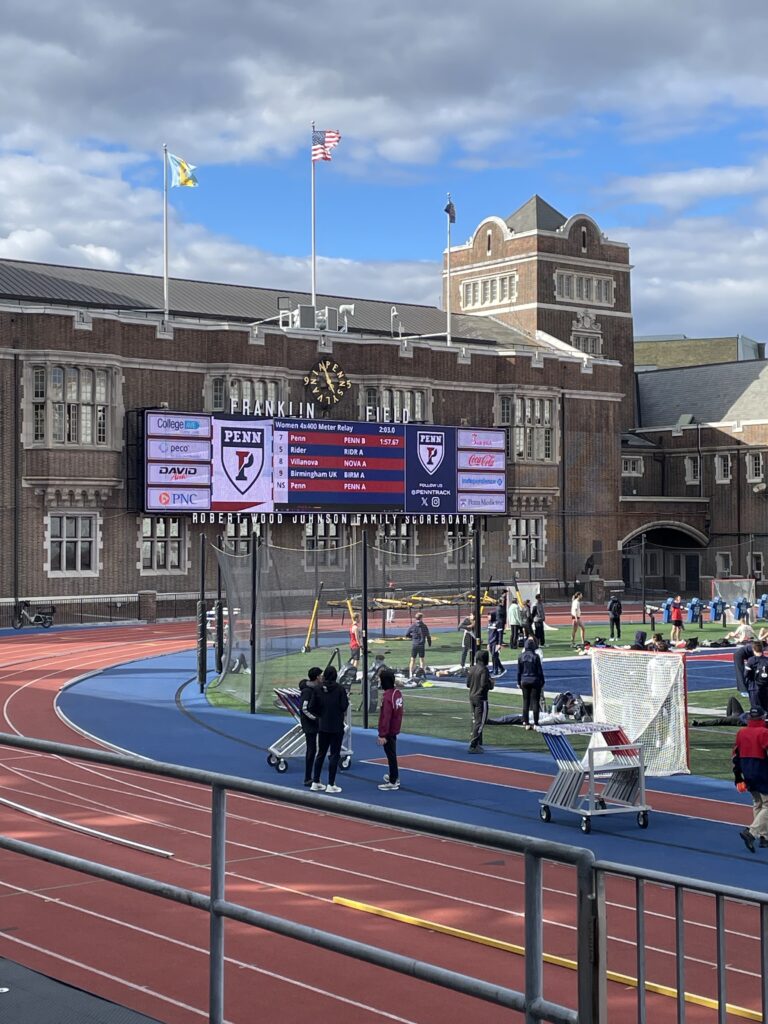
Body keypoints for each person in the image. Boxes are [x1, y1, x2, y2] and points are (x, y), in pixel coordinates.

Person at [732, 707, 768, 852]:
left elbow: (736, 755)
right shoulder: (764, 732)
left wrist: (738, 776)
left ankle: (764, 837)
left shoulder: (741, 732)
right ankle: (752, 832)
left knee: (757, 802)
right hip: (762, 770)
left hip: (747, 771)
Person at [310, 666, 349, 794]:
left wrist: (321, 715)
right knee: (334, 754)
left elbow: (311, 707)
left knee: (321, 753)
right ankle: (331, 784)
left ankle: (315, 781)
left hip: (323, 726)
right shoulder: (340, 689)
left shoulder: (318, 689)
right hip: (336, 726)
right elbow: (344, 706)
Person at [377, 669, 404, 791]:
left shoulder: (387, 696)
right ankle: (394, 776)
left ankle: (393, 780)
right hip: (394, 728)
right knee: (392, 754)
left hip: (388, 730)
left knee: (391, 755)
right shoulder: (397, 693)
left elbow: (386, 716)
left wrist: (382, 734)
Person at [298, 666, 323, 787]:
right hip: (310, 724)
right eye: (321, 675)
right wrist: (316, 719)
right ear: (317, 677)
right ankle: (308, 777)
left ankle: (311, 777)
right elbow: (304, 708)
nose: (322, 677)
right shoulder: (308, 691)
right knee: (311, 750)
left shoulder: (314, 689)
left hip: (314, 722)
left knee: (313, 750)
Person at [466, 650, 494, 753]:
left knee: (476, 720)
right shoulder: (484, 670)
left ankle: (474, 742)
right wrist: (491, 684)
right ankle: (473, 745)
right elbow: (483, 685)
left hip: (472, 697)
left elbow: (468, 684)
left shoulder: (471, 669)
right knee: (480, 722)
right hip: (481, 698)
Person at [517, 637, 546, 730]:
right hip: (534, 680)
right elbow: (540, 671)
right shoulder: (535, 656)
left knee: (526, 702)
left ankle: (526, 722)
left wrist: (518, 682)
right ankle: (536, 723)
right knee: (535, 702)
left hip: (524, 680)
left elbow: (519, 671)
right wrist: (542, 681)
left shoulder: (521, 656)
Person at [405, 611, 431, 677]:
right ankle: (421, 673)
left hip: (414, 644)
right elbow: (428, 635)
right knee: (421, 660)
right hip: (421, 645)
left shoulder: (413, 626)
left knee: (412, 659)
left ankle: (410, 673)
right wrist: (429, 643)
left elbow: (407, 634)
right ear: (421, 618)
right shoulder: (424, 626)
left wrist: (413, 637)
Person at [746, 641, 768, 713]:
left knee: (756, 710)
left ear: (753, 649)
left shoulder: (751, 660)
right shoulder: (767, 660)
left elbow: (746, 675)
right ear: (763, 649)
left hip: (754, 687)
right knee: (766, 708)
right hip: (766, 688)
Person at [487, 611, 505, 676]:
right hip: (491, 643)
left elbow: (500, 634)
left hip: (495, 643)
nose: (488, 617)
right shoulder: (489, 623)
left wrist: (499, 644)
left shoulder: (498, 623)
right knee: (494, 656)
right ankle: (501, 668)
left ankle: (496, 670)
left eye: (489, 615)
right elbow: (489, 635)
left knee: (494, 656)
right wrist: (488, 643)